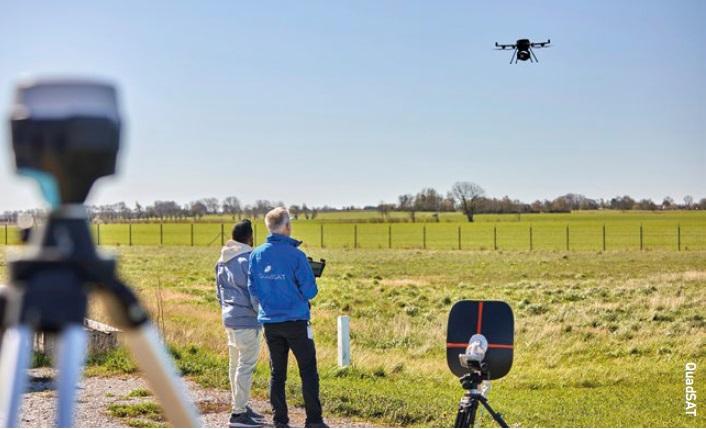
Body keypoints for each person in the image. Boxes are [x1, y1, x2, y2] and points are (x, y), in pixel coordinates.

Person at [248, 207, 327, 428]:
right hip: (296, 321)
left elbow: (252, 288)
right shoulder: (297, 256)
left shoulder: (256, 255)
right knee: (308, 370)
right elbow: (310, 292)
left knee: (277, 372)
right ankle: (314, 419)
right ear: (286, 226)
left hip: (270, 322)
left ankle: (280, 420)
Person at [216, 219, 265, 428]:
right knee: (246, 366)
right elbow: (254, 294)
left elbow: (219, 293)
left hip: (229, 318)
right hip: (247, 320)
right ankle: (238, 415)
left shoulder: (221, 260)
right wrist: (261, 313)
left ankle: (240, 406)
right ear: (250, 237)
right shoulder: (249, 259)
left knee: (235, 364)